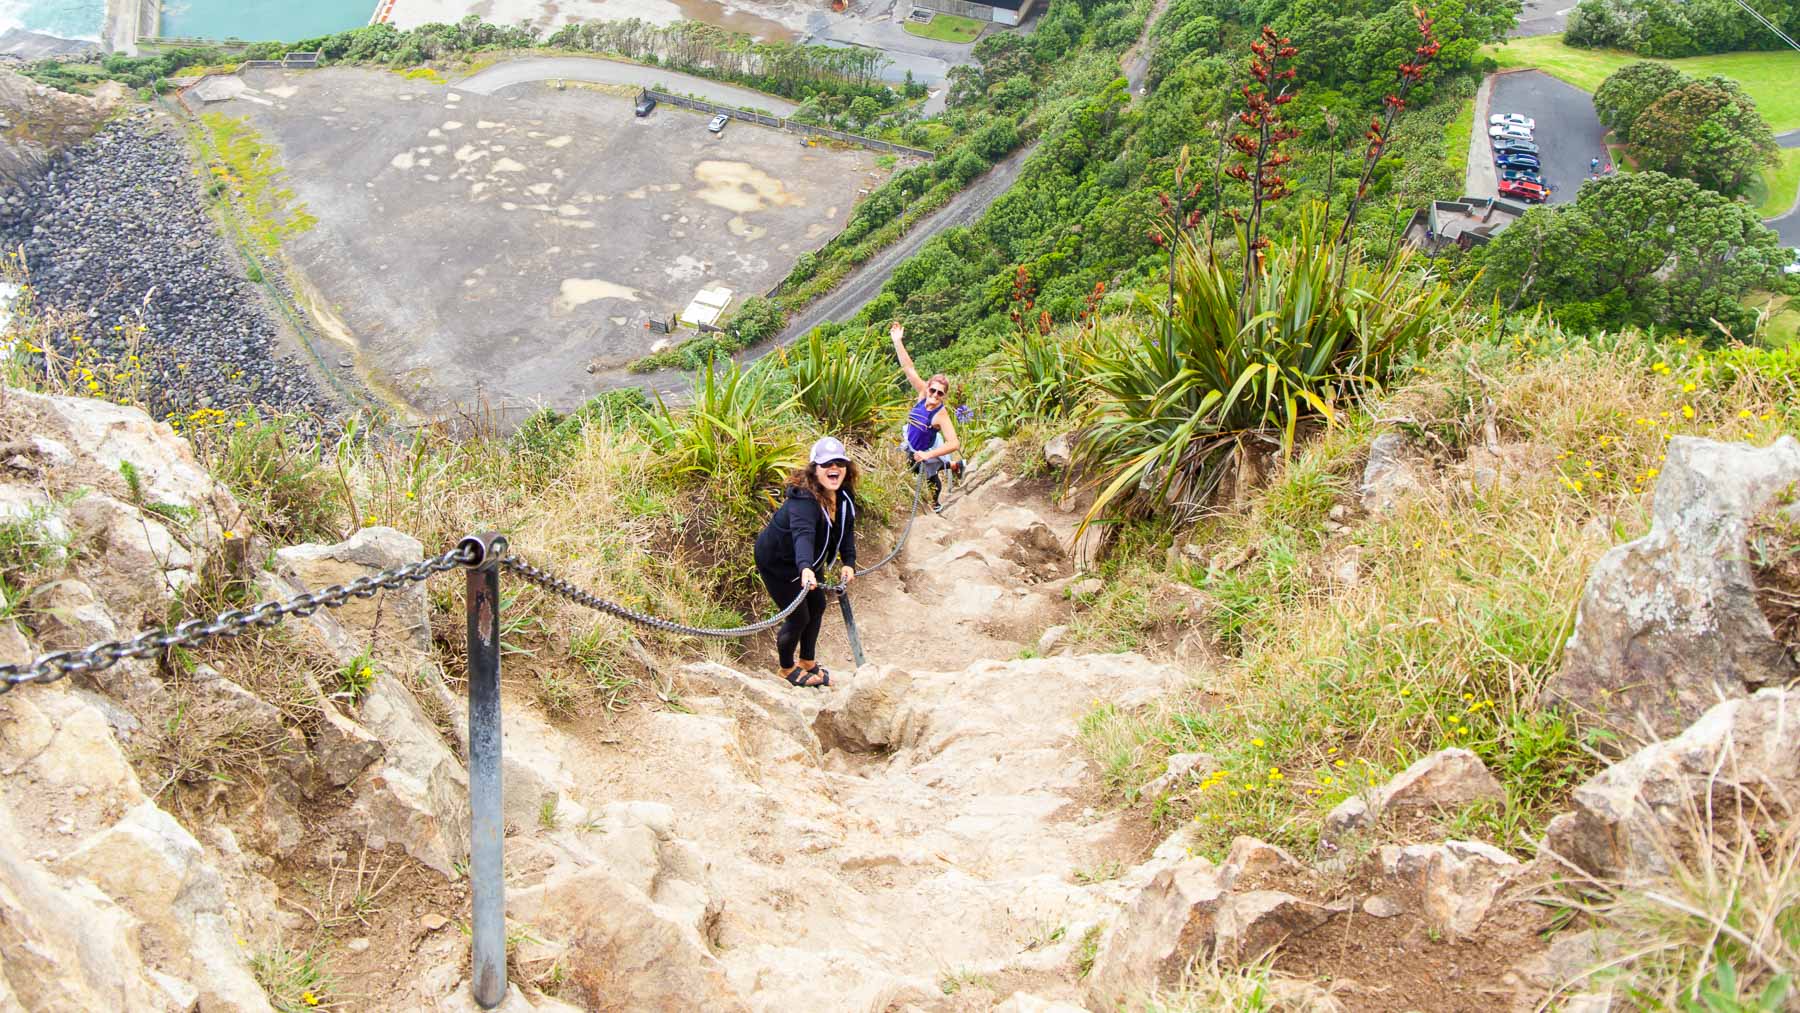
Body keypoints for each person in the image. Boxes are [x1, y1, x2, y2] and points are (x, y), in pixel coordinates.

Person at [753, 437, 859, 688]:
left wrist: (849, 562)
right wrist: (805, 568)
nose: (834, 468)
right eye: (827, 464)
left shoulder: (843, 495)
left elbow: (846, 530)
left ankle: (807, 662)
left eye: (840, 463)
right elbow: (803, 535)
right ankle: (786, 667)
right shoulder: (804, 500)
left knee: (818, 604)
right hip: (779, 561)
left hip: (809, 561)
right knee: (799, 616)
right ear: (815, 469)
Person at [890, 320, 962, 511]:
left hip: (924, 451)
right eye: (933, 390)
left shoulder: (941, 414)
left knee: (930, 477)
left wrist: (928, 454)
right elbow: (908, 369)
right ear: (928, 387)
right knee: (909, 470)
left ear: (944, 395)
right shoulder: (922, 393)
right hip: (910, 444)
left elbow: (954, 443)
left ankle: (936, 503)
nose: (935, 395)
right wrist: (897, 341)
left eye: (940, 393)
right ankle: (956, 466)